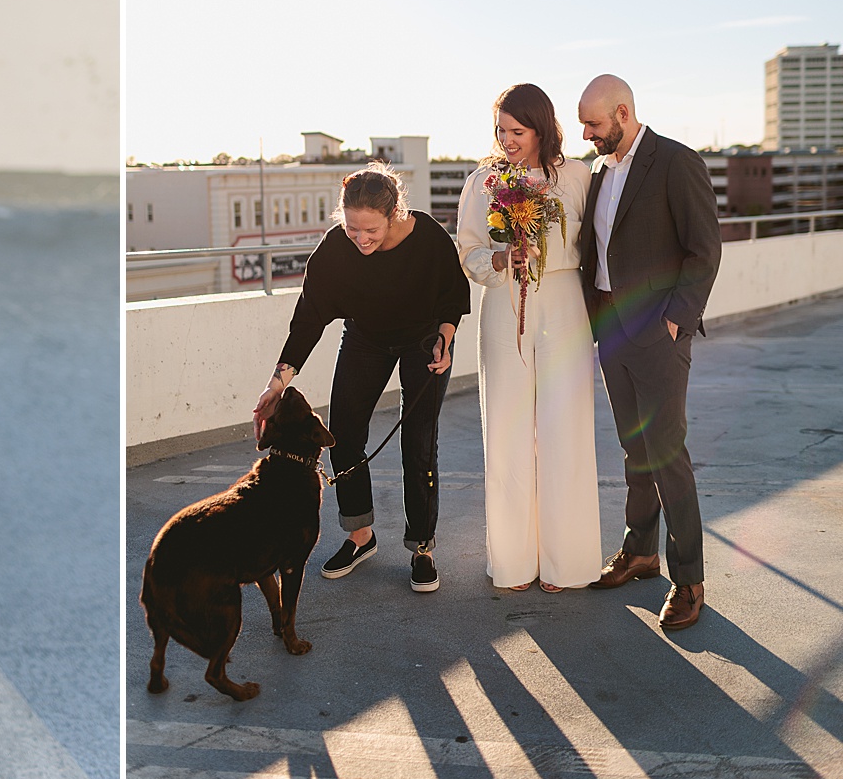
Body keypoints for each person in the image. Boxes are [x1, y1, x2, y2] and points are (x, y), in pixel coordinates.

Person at [252, 164, 471, 593]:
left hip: (423, 340)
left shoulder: (428, 238)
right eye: (352, 228)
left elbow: (451, 298)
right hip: (366, 339)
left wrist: (445, 340)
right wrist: (277, 381)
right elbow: (309, 317)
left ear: (395, 214)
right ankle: (360, 535)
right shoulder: (337, 248)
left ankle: (421, 546)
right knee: (344, 434)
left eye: (370, 229)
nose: (361, 238)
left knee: (419, 443)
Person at [577, 74, 721, 630]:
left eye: (593, 124)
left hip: (659, 333)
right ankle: (640, 552)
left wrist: (676, 320)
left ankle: (689, 579)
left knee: (667, 454)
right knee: (634, 448)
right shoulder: (597, 171)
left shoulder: (677, 163)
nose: (587, 134)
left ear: (622, 112)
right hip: (612, 328)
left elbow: (703, 251)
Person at [456, 84, 599, 592]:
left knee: (567, 430)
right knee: (507, 432)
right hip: (503, 309)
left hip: (563, 307)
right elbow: (468, 251)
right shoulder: (482, 182)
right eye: (501, 130)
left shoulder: (579, 176)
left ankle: (570, 562)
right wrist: (498, 259)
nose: (508, 140)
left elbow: (598, 247)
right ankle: (513, 561)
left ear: (542, 128)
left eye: (517, 131)